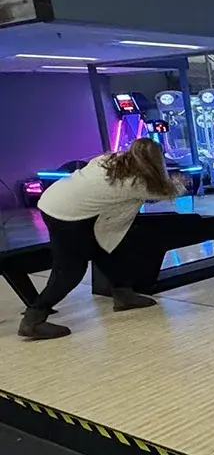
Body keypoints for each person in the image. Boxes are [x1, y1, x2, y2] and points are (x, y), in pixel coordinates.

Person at [19, 138, 184, 340]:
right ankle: (34, 319)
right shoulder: (134, 183)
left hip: (55, 199)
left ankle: (123, 294)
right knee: (70, 270)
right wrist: (181, 180)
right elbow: (168, 192)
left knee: (105, 246)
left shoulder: (108, 159)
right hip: (66, 214)